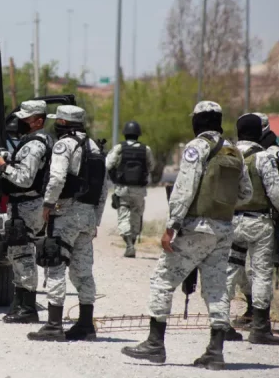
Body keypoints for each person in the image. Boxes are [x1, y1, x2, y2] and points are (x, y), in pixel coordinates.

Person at [121, 101, 252, 371]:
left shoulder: (197, 148)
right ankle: (215, 353)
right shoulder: (235, 151)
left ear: (198, 122)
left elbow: (183, 190)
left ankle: (155, 345)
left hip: (195, 228)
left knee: (162, 281)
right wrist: (220, 205)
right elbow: (246, 194)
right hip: (224, 229)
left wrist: (172, 227)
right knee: (216, 289)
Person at [27, 105, 109, 342]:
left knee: (55, 265)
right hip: (88, 216)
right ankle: (85, 325)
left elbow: (57, 177)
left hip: (66, 214)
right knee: (83, 271)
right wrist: (96, 220)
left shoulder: (65, 145)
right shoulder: (95, 147)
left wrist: (47, 205)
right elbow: (104, 188)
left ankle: (53, 325)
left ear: (62, 123)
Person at [223, 114, 279, 345]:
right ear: (259, 132)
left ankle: (221, 325)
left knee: (230, 270)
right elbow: (276, 192)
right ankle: (260, 329)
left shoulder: (227, 154)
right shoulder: (264, 157)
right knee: (261, 273)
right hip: (259, 224)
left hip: (231, 223)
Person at [0, 100, 53, 324]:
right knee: (17, 254)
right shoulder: (36, 141)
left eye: (26, 119)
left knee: (24, 255)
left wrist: (3, 165)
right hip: (26, 206)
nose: (21, 123)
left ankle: (27, 308)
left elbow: (25, 179)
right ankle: (20, 303)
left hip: (27, 206)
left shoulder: (35, 145)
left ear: (38, 121)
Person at [105, 120, 155, 258]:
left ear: (125, 133)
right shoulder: (146, 149)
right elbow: (151, 167)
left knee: (123, 216)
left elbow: (108, 164)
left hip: (123, 189)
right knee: (136, 215)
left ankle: (129, 244)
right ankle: (132, 241)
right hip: (139, 189)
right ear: (138, 133)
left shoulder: (119, 148)